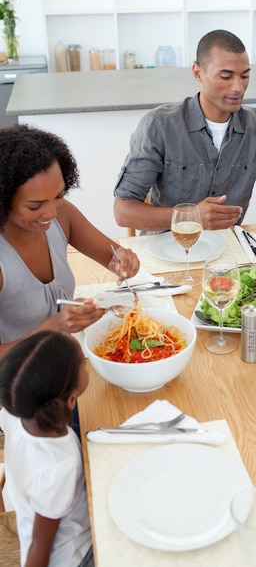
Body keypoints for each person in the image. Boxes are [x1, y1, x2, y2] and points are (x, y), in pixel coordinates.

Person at [113, 29, 256, 265]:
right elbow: (123, 212)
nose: (238, 87)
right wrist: (192, 217)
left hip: (226, 256)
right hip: (163, 256)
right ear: (198, 72)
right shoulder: (160, 125)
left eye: (244, 76)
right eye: (226, 76)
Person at [0, 124, 140, 360]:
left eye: (58, 196)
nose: (51, 213)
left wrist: (122, 259)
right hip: (17, 384)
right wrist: (55, 327)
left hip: (65, 360)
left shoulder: (62, 216)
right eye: (35, 206)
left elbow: (112, 254)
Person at [0, 330, 93, 567]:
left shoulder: (14, 412)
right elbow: (39, 549)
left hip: (42, 512)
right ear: (71, 401)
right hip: (75, 554)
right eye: (83, 363)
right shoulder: (58, 467)